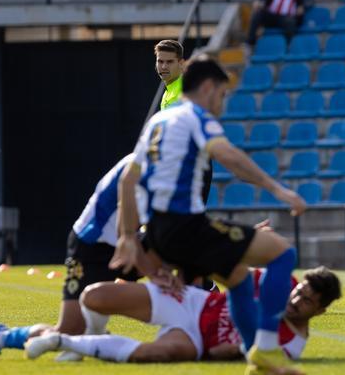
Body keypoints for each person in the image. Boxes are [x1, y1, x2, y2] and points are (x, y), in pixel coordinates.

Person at [110, 55, 308, 375]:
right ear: (207, 87)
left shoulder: (158, 122)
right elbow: (228, 155)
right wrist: (279, 190)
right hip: (186, 226)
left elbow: (126, 180)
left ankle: (254, 357)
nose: (222, 103)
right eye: (222, 94)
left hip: (159, 232)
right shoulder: (195, 115)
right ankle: (267, 348)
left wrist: (129, 237)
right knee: (283, 254)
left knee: (240, 281)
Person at [0, 154, 153, 361]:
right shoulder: (141, 163)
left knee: (168, 258)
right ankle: (2, 336)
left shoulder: (167, 162)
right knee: (69, 330)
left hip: (127, 239)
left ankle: (94, 335)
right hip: (92, 245)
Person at [24, 267, 342, 364]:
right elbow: (230, 270)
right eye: (299, 292)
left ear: (321, 310)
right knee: (94, 296)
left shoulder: (293, 345)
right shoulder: (277, 282)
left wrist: (230, 354)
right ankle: (90, 342)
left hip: (195, 339)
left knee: (157, 353)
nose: (296, 300)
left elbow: (246, 355)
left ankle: (63, 341)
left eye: (306, 302)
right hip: (191, 303)